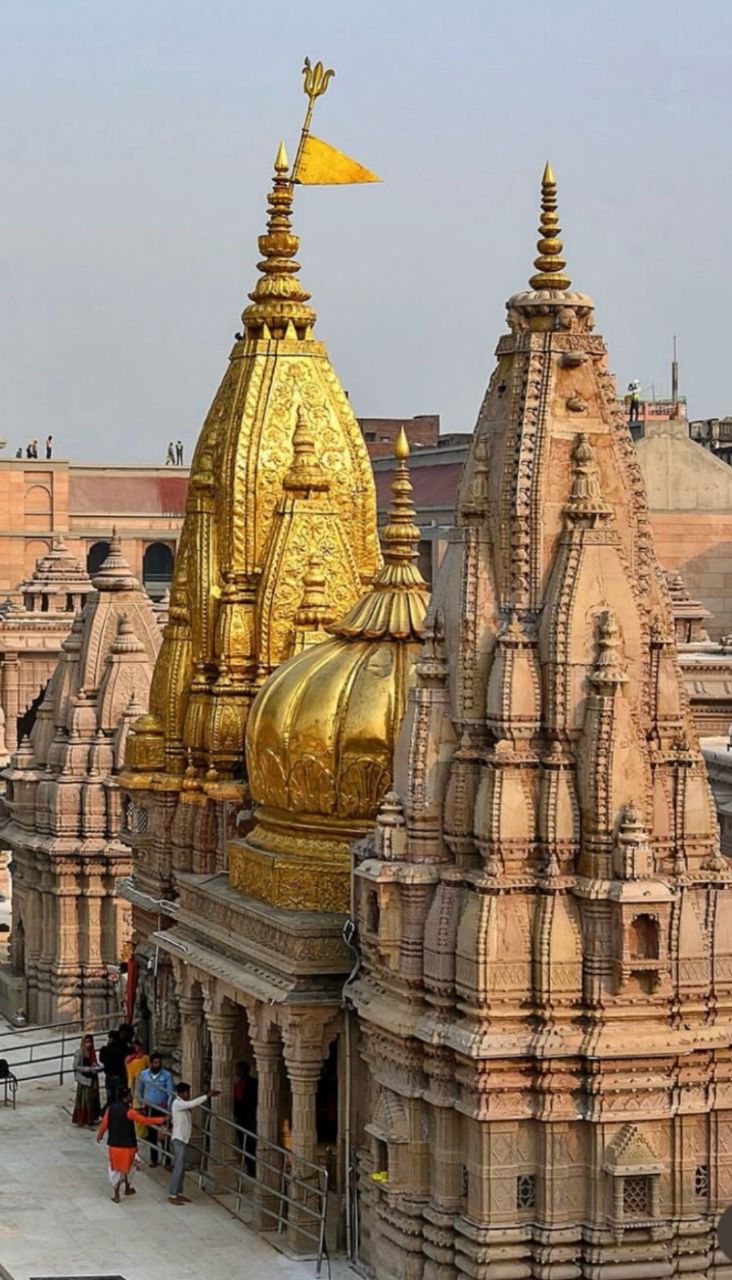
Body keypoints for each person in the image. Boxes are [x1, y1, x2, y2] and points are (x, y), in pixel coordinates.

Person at [96, 1087, 165, 1204]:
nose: (132, 1097)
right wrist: (161, 1119)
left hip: (114, 1146)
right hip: (128, 1147)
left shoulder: (110, 1109)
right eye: (130, 1095)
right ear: (126, 1097)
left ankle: (117, 1194)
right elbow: (145, 1121)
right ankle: (127, 1187)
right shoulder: (130, 1112)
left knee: (115, 1169)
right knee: (130, 1167)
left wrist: (100, 1135)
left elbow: (104, 1124)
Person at [168, 1081, 219, 1205]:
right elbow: (192, 1103)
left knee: (182, 1168)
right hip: (179, 1139)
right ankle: (172, 1194)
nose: (188, 1094)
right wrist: (207, 1096)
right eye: (186, 1092)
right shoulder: (177, 1103)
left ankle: (178, 1193)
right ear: (180, 1093)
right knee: (178, 1168)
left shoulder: (182, 1104)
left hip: (184, 1139)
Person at [137, 1051, 174, 1167]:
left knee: (164, 1134)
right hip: (149, 1107)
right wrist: (141, 1103)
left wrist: (168, 1108)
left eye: (159, 1062)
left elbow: (170, 1093)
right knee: (151, 1134)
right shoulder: (144, 1074)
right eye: (155, 1063)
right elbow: (139, 1089)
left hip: (162, 1108)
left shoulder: (166, 1075)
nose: (157, 1065)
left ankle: (167, 1160)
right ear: (151, 1063)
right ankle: (154, 1158)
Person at [233, 1061, 257, 1176]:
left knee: (247, 1144)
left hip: (244, 1118)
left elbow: (238, 1100)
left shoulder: (242, 1084)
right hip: (253, 1117)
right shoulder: (255, 1082)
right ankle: (252, 1168)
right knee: (251, 1144)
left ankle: (251, 1169)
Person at [72, 1034, 102, 1127]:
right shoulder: (80, 1053)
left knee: (93, 1099)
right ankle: (82, 1119)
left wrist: (95, 1066)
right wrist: (88, 1069)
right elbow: (76, 1066)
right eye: (86, 1042)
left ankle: (91, 1118)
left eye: (90, 1042)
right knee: (85, 1100)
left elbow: (93, 1062)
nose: (88, 1044)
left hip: (92, 1078)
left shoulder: (92, 1053)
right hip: (84, 1079)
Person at [125, 1042, 150, 1139]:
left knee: (137, 1108)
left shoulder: (128, 1059)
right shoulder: (144, 1058)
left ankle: (138, 1132)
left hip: (134, 1085)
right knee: (139, 1109)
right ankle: (141, 1133)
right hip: (139, 1086)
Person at [99, 1029, 127, 1106]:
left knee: (110, 1099)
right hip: (121, 1076)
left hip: (110, 1076)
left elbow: (101, 1059)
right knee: (120, 1098)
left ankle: (110, 1114)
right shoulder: (124, 1048)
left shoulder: (105, 1050)